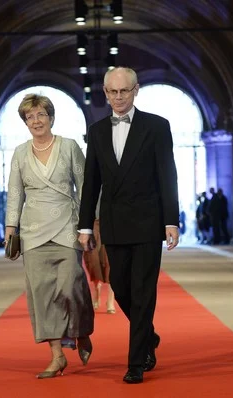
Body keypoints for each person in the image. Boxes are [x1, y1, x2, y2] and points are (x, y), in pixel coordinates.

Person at [78, 66, 180, 384]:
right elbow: (90, 183)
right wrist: (84, 226)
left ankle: (136, 361)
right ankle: (148, 336)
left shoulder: (157, 126)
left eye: (124, 91)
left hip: (148, 222)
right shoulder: (96, 132)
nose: (118, 97)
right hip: (114, 222)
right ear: (105, 93)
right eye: (112, 91)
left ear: (136, 90)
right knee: (120, 286)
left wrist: (171, 221)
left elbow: (168, 176)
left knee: (142, 292)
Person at [4, 93, 94, 379]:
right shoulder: (19, 152)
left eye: (41, 115)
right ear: (25, 122)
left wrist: (85, 227)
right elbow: (15, 192)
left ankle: (80, 331)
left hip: (66, 227)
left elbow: (84, 187)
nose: (36, 121)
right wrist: (11, 229)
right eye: (30, 117)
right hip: (33, 233)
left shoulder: (69, 147)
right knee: (42, 297)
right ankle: (56, 356)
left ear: (51, 117)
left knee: (72, 286)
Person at [83, 201, 116, 314]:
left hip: (112, 221)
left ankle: (110, 300)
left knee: (111, 260)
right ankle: (96, 288)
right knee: (93, 259)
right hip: (92, 222)